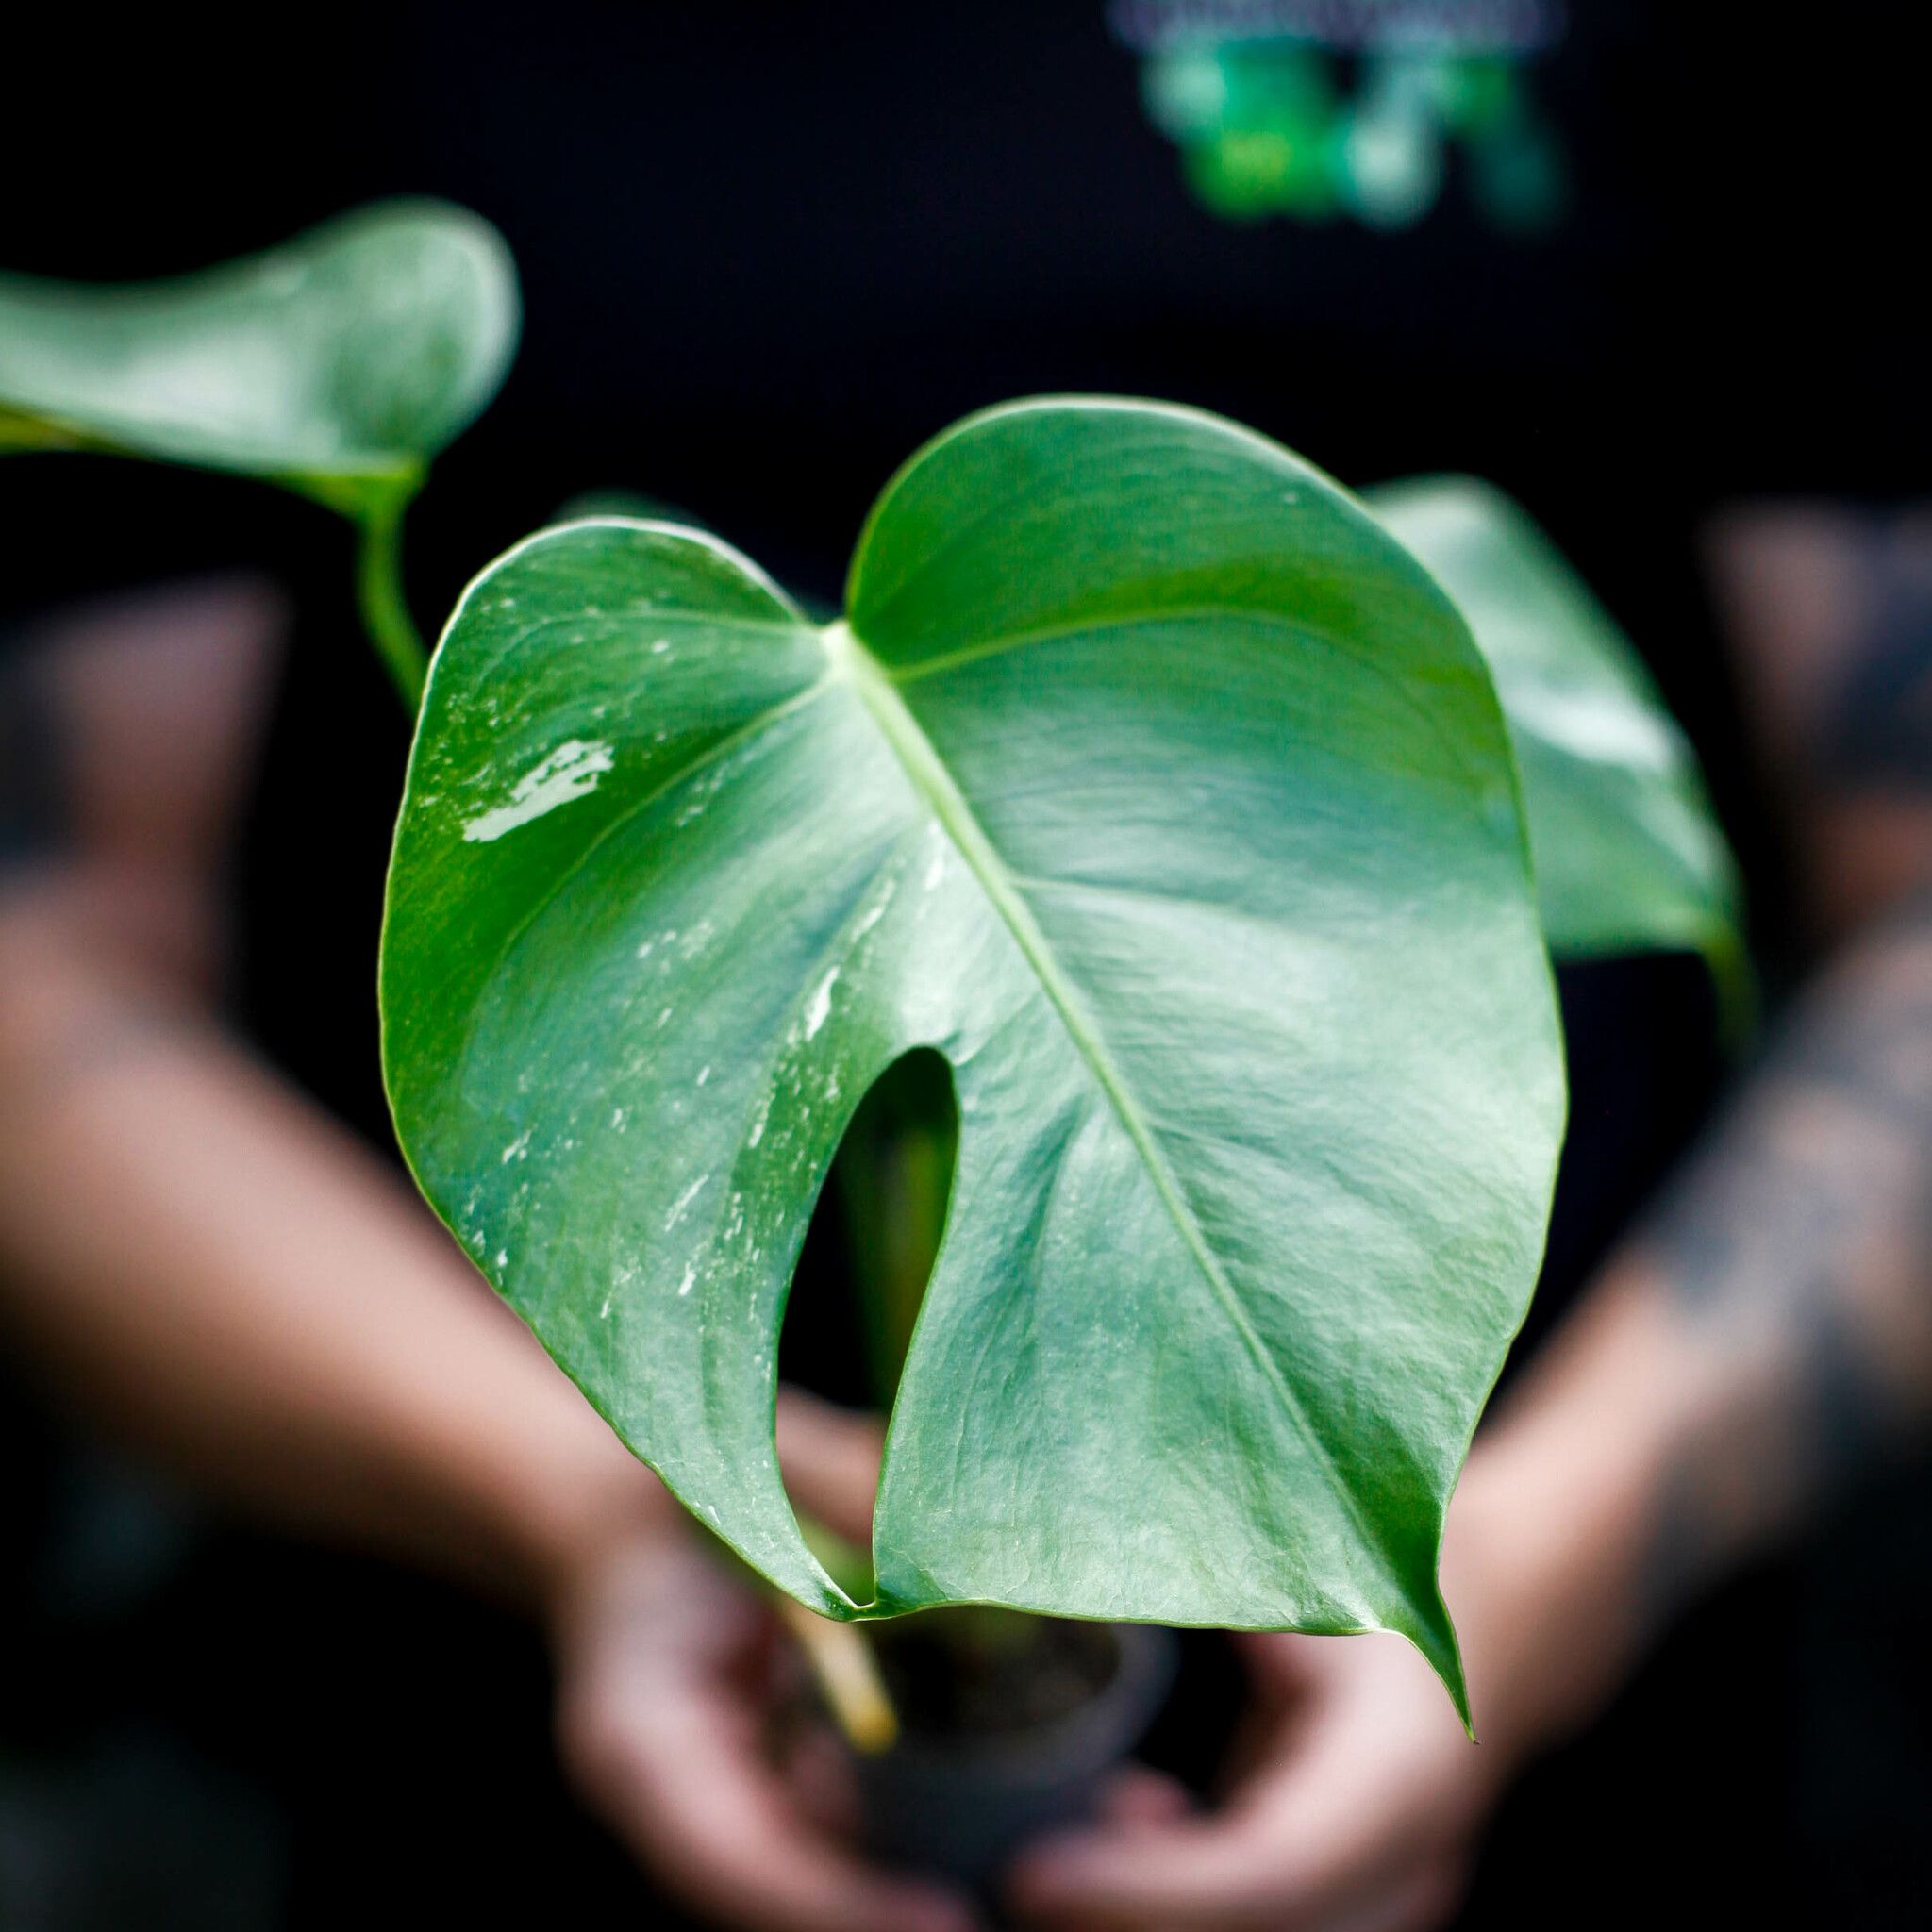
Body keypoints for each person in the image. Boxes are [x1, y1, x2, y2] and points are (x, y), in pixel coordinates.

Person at [3, 6, 1926, 1927]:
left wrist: (1535, 1557)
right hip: (516, 1744)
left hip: (1580, 1761)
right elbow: (47, 951)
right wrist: (597, 1507)